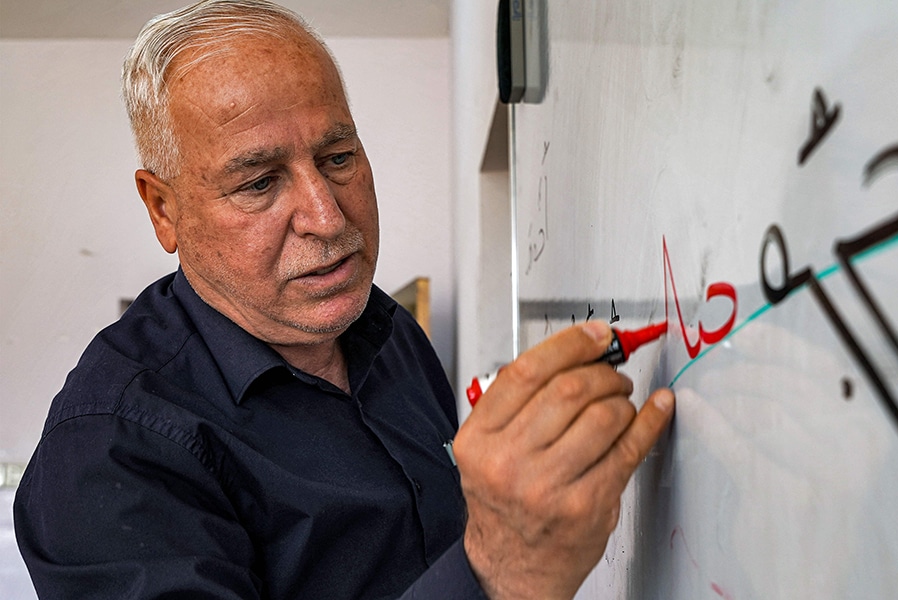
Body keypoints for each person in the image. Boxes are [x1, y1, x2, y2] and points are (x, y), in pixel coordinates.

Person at [13, 1, 676, 598]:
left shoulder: (388, 332)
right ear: (164, 209)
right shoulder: (108, 451)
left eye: (337, 157)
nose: (329, 219)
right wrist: (496, 573)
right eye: (260, 182)